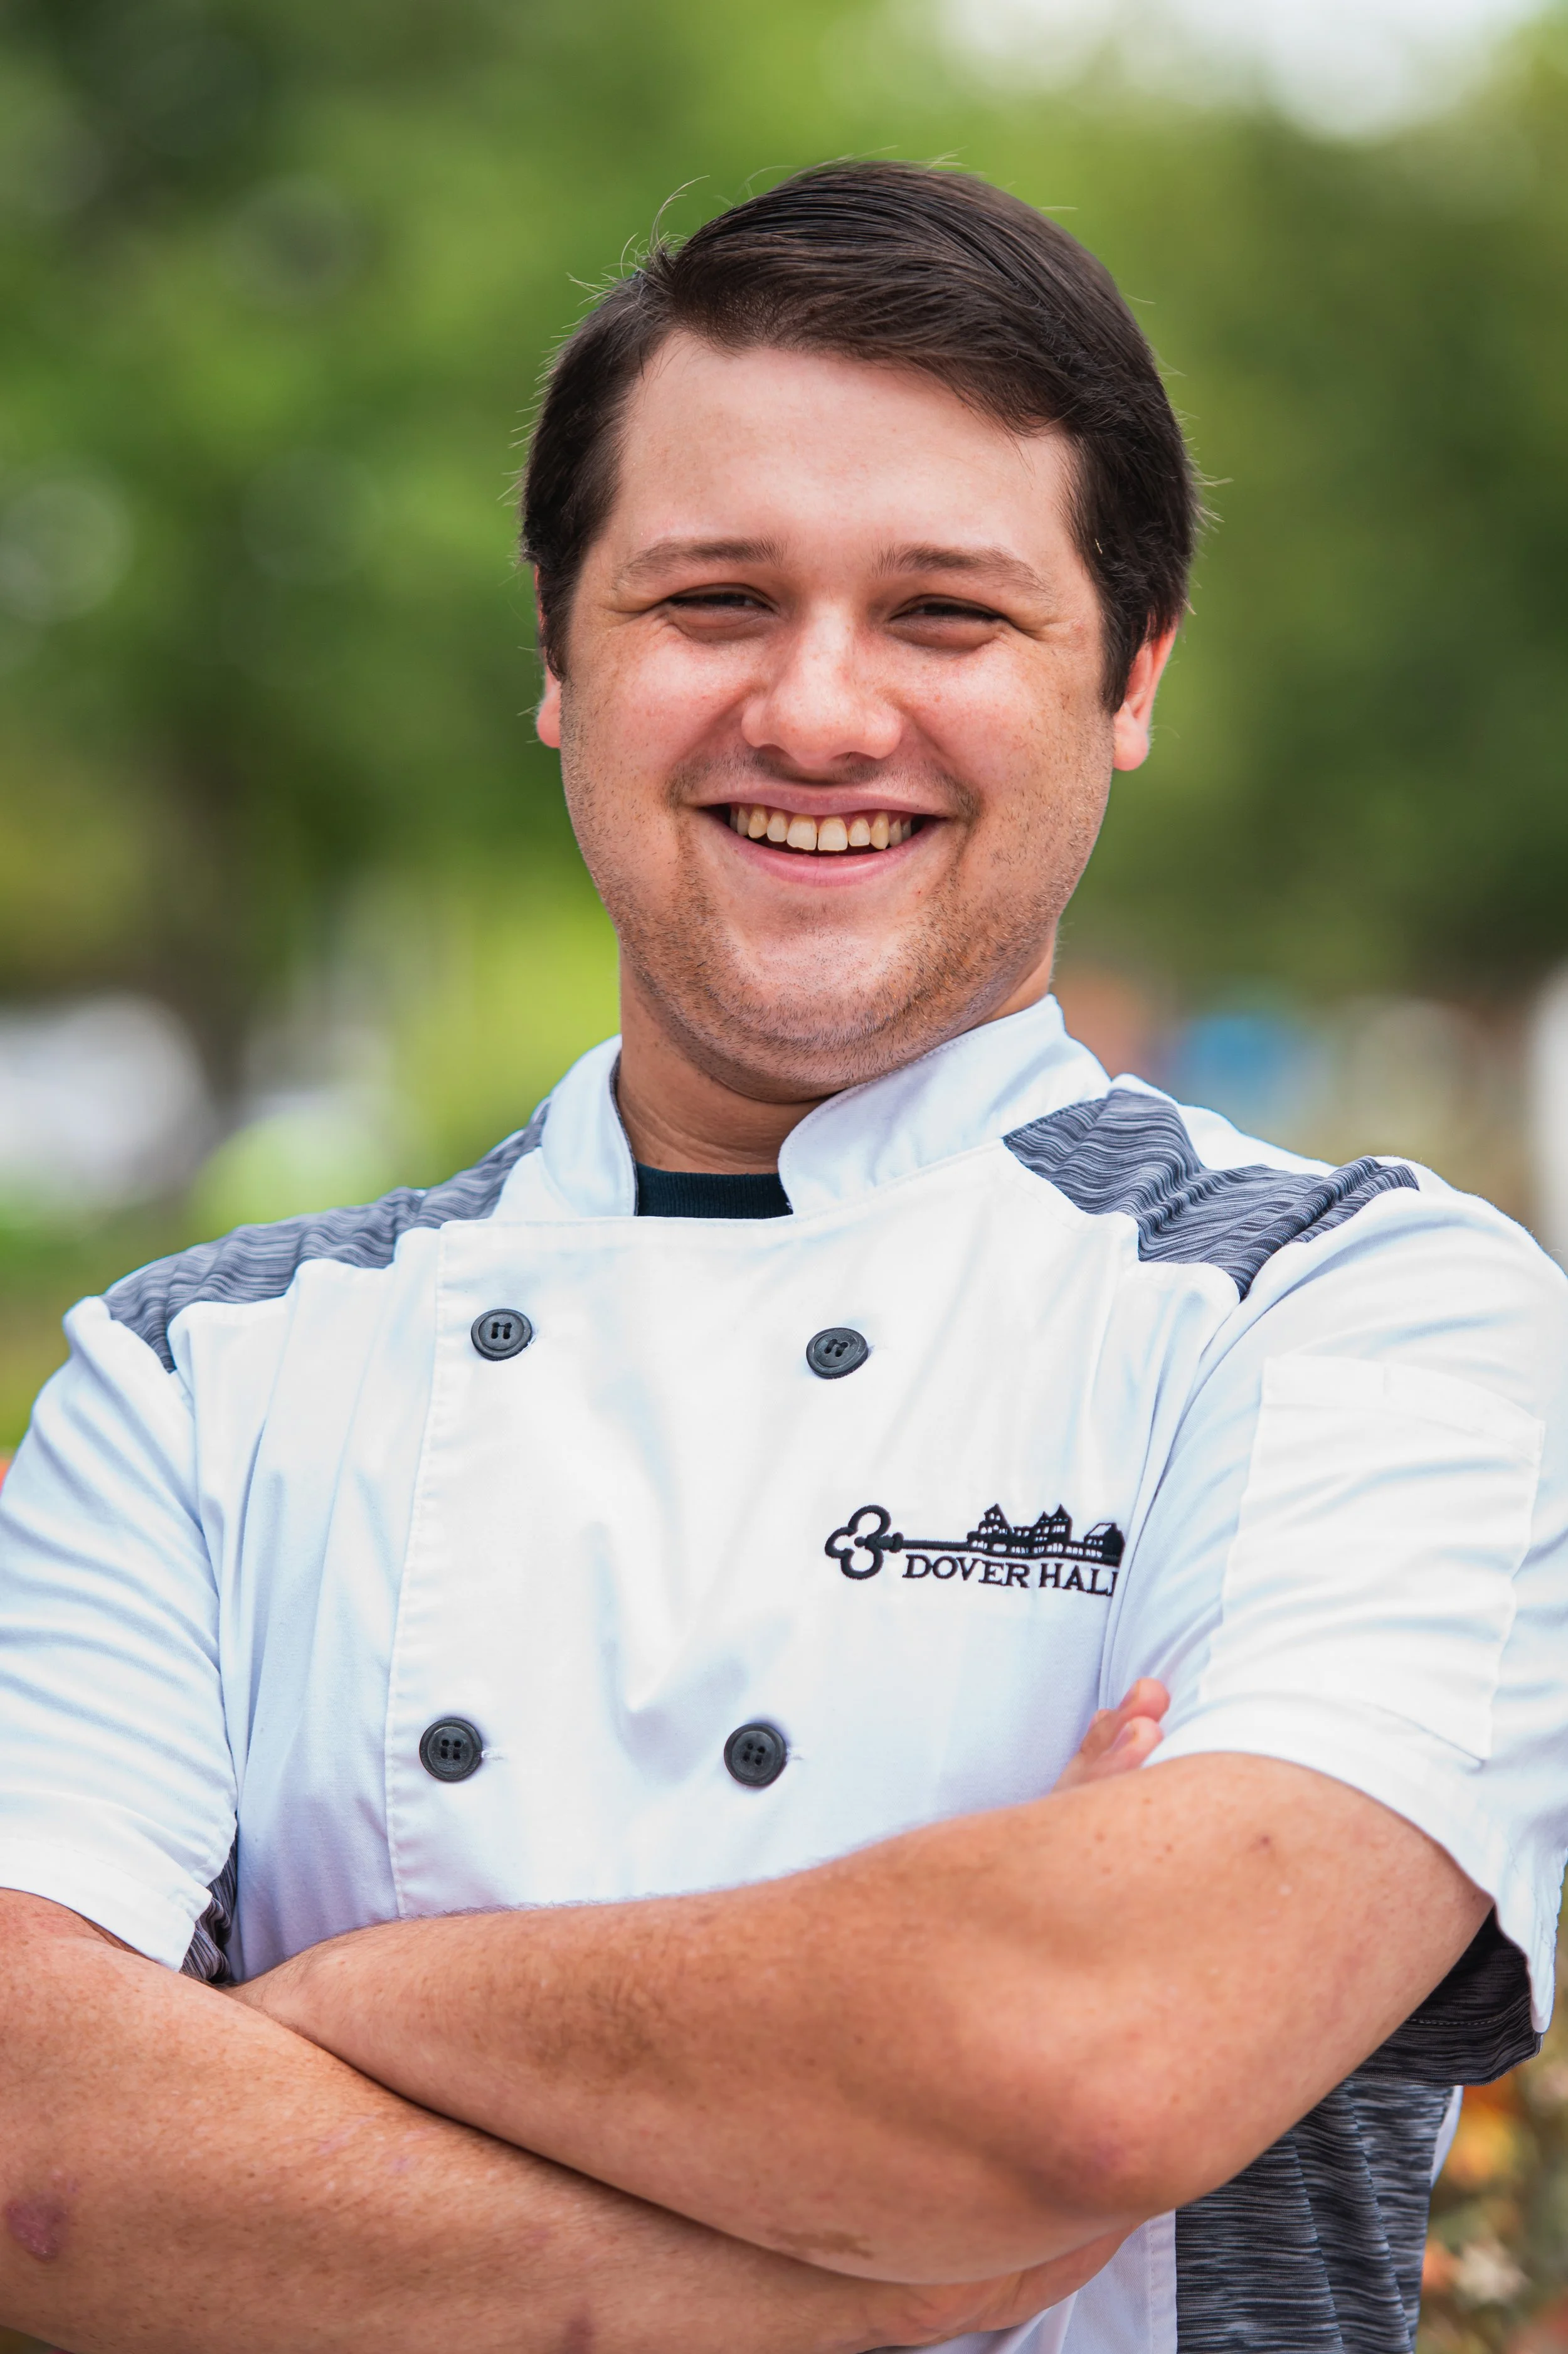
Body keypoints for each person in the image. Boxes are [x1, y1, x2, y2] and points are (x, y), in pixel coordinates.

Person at [0, 161, 1564, 2354]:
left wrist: (318, 2014)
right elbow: (33, 2157)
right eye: (712, 599)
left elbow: (1090, 2061)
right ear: (555, 659)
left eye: (946, 615)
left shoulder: (1346, 1310)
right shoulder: (196, 1377)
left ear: (1126, 679)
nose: (819, 717)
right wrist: (882, 2265)